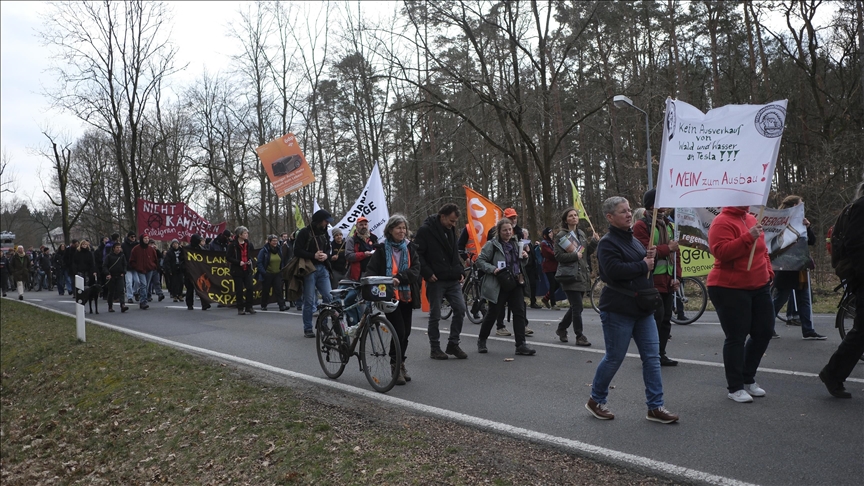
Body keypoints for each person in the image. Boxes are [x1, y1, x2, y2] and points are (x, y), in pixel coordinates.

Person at [586, 196, 679, 424]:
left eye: (629, 210)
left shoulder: (635, 241)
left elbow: (644, 269)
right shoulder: (607, 243)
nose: (629, 214)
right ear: (610, 217)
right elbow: (611, 272)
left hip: (643, 309)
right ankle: (596, 400)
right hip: (618, 309)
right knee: (614, 358)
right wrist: (643, 264)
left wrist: (651, 259)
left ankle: (655, 406)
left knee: (652, 358)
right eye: (623, 211)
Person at [707, 205, 775, 403]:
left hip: (759, 285)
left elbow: (763, 250)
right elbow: (721, 252)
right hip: (729, 287)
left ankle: (747, 376)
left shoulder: (752, 218)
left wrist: (769, 271)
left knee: (764, 331)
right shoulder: (721, 221)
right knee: (736, 336)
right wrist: (747, 237)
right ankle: (735, 387)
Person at [819, 181, 864, 398]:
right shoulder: (861, 208)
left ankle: (833, 373)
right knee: (861, 332)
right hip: (861, 277)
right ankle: (833, 374)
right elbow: (856, 246)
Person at [365, 214, 421, 385]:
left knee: (407, 333)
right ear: (390, 230)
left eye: (404, 228)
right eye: (398, 228)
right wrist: (379, 282)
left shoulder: (410, 248)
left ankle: (401, 363)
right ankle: (394, 366)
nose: (402, 231)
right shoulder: (382, 250)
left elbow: (416, 269)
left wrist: (400, 277)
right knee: (399, 331)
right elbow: (371, 270)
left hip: (406, 294)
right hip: (389, 296)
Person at [633, 189, 682, 366]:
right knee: (656, 318)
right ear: (652, 204)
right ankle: (650, 354)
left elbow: (676, 253)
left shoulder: (669, 225)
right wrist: (668, 248)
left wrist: (678, 277)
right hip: (651, 281)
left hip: (668, 280)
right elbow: (644, 251)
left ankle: (661, 354)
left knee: (666, 319)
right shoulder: (641, 226)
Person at [475, 217, 536, 356]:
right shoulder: (492, 245)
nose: (508, 232)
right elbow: (480, 261)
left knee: (519, 312)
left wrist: (525, 257)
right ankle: (482, 340)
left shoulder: (516, 243)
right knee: (493, 313)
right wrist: (493, 269)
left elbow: (521, 264)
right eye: (504, 230)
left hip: (516, 282)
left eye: (509, 230)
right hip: (499, 283)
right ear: (499, 231)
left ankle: (521, 345)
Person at [415, 203, 468, 360]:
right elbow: (418, 254)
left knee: (460, 309)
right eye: (451, 221)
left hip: (452, 278)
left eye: (455, 222)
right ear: (442, 216)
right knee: (435, 314)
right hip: (436, 279)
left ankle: (453, 343)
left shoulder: (451, 230)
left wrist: (460, 270)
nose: (453, 224)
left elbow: (453, 253)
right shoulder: (425, 230)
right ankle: (435, 348)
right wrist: (427, 273)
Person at [770, 195, 825, 340]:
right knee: (780, 299)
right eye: (801, 204)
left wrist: (808, 227)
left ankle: (808, 330)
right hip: (786, 267)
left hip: (800, 266)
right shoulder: (780, 222)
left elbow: (811, 241)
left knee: (804, 300)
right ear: (795, 205)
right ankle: (766, 327)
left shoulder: (801, 221)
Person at [554, 208, 598, 347]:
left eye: (575, 215)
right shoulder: (561, 236)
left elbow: (584, 253)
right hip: (569, 275)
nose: (574, 217)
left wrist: (594, 242)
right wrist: (574, 255)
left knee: (576, 307)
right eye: (571, 216)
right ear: (565, 219)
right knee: (577, 306)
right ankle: (580, 336)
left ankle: (562, 328)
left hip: (582, 274)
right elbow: (558, 256)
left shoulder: (581, 234)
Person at [294, 210, 334, 337]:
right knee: (309, 300)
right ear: (319, 221)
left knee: (329, 297)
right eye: (325, 221)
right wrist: (313, 255)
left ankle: (323, 324)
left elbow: (329, 249)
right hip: (309, 269)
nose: (327, 223)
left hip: (323, 269)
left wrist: (326, 255)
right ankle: (308, 328)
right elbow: (297, 251)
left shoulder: (325, 233)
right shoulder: (304, 232)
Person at [226, 226, 257, 316]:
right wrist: (238, 262)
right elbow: (228, 257)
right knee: (239, 290)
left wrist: (250, 260)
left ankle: (249, 306)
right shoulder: (232, 245)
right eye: (245, 233)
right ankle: (240, 308)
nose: (247, 235)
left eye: (247, 233)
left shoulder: (249, 244)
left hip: (247, 269)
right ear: (240, 235)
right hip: (237, 270)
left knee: (250, 288)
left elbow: (250, 254)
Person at [257, 234, 288, 312]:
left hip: (277, 273)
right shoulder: (264, 251)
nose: (275, 242)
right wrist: (264, 273)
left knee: (278, 289)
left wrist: (282, 269)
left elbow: (281, 260)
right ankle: (264, 305)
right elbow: (259, 262)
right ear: (269, 241)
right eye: (273, 241)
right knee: (266, 290)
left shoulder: (279, 249)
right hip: (268, 273)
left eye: (276, 241)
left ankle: (282, 305)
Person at [129, 235, 158, 310]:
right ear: (142, 239)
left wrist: (154, 266)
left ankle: (140, 294)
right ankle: (143, 301)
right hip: (140, 269)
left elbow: (155, 259)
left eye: (147, 238)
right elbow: (132, 260)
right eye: (145, 238)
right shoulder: (136, 249)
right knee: (143, 284)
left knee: (146, 285)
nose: (146, 240)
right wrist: (136, 266)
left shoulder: (151, 249)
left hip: (149, 269)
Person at [346, 216, 378, 281]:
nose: (364, 226)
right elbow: (348, 256)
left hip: (373, 271)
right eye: (361, 225)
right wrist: (364, 254)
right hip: (358, 274)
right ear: (356, 226)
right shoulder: (351, 240)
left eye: (365, 224)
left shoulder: (374, 238)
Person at [183, 234, 210, 311]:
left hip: (198, 272)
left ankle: (205, 304)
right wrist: (185, 269)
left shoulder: (200, 248)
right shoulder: (187, 249)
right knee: (190, 289)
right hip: (189, 272)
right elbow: (183, 260)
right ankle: (189, 304)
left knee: (201, 288)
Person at [102, 242, 129, 312]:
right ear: (113, 248)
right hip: (111, 276)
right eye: (117, 247)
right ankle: (110, 306)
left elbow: (125, 264)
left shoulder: (122, 256)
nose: (118, 249)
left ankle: (122, 305)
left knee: (121, 290)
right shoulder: (109, 256)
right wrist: (107, 273)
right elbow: (104, 266)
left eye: (119, 247)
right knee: (111, 291)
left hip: (120, 275)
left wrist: (124, 272)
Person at [539, 227, 560, 310]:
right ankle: (553, 304)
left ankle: (546, 298)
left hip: (555, 266)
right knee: (552, 284)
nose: (551, 234)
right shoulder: (544, 244)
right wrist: (558, 254)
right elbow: (550, 254)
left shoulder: (552, 242)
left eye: (551, 233)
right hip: (548, 267)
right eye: (549, 233)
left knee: (557, 284)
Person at [523, 229, 542, 309]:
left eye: (526, 234)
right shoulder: (519, 243)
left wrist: (535, 246)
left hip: (532, 267)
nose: (525, 236)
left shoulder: (529, 243)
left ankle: (533, 301)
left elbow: (532, 252)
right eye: (523, 234)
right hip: (524, 267)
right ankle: (522, 301)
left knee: (533, 284)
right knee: (523, 285)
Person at [120, 232, 138, 303]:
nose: (133, 238)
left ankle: (135, 292)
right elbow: (122, 255)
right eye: (131, 237)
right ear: (128, 237)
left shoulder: (137, 245)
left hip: (136, 266)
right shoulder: (124, 245)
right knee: (129, 282)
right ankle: (130, 296)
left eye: (134, 236)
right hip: (127, 266)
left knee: (137, 281)